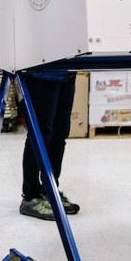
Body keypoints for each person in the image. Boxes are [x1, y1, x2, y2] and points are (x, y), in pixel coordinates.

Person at [18, 72, 80, 221]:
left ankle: (50, 190)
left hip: (68, 72)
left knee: (60, 134)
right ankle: (31, 196)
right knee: (39, 133)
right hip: (42, 73)